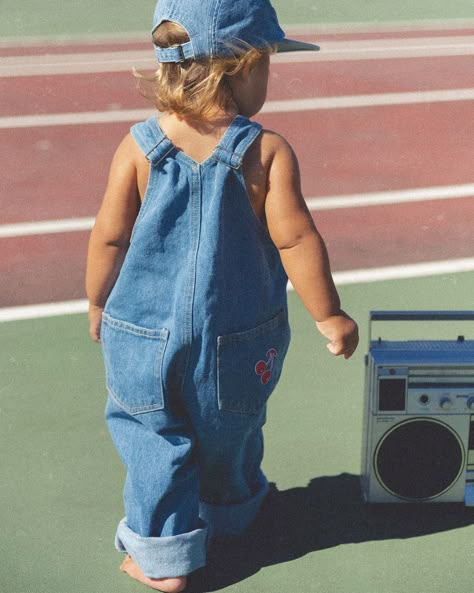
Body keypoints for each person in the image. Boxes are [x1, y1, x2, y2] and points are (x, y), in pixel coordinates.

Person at [85, 0, 359, 590]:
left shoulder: (137, 147)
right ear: (245, 66)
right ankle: (231, 514)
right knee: (230, 427)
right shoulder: (265, 151)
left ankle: (162, 556)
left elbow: (110, 234)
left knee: (153, 435)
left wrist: (95, 300)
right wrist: (329, 313)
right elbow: (296, 239)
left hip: (143, 331)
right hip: (238, 335)